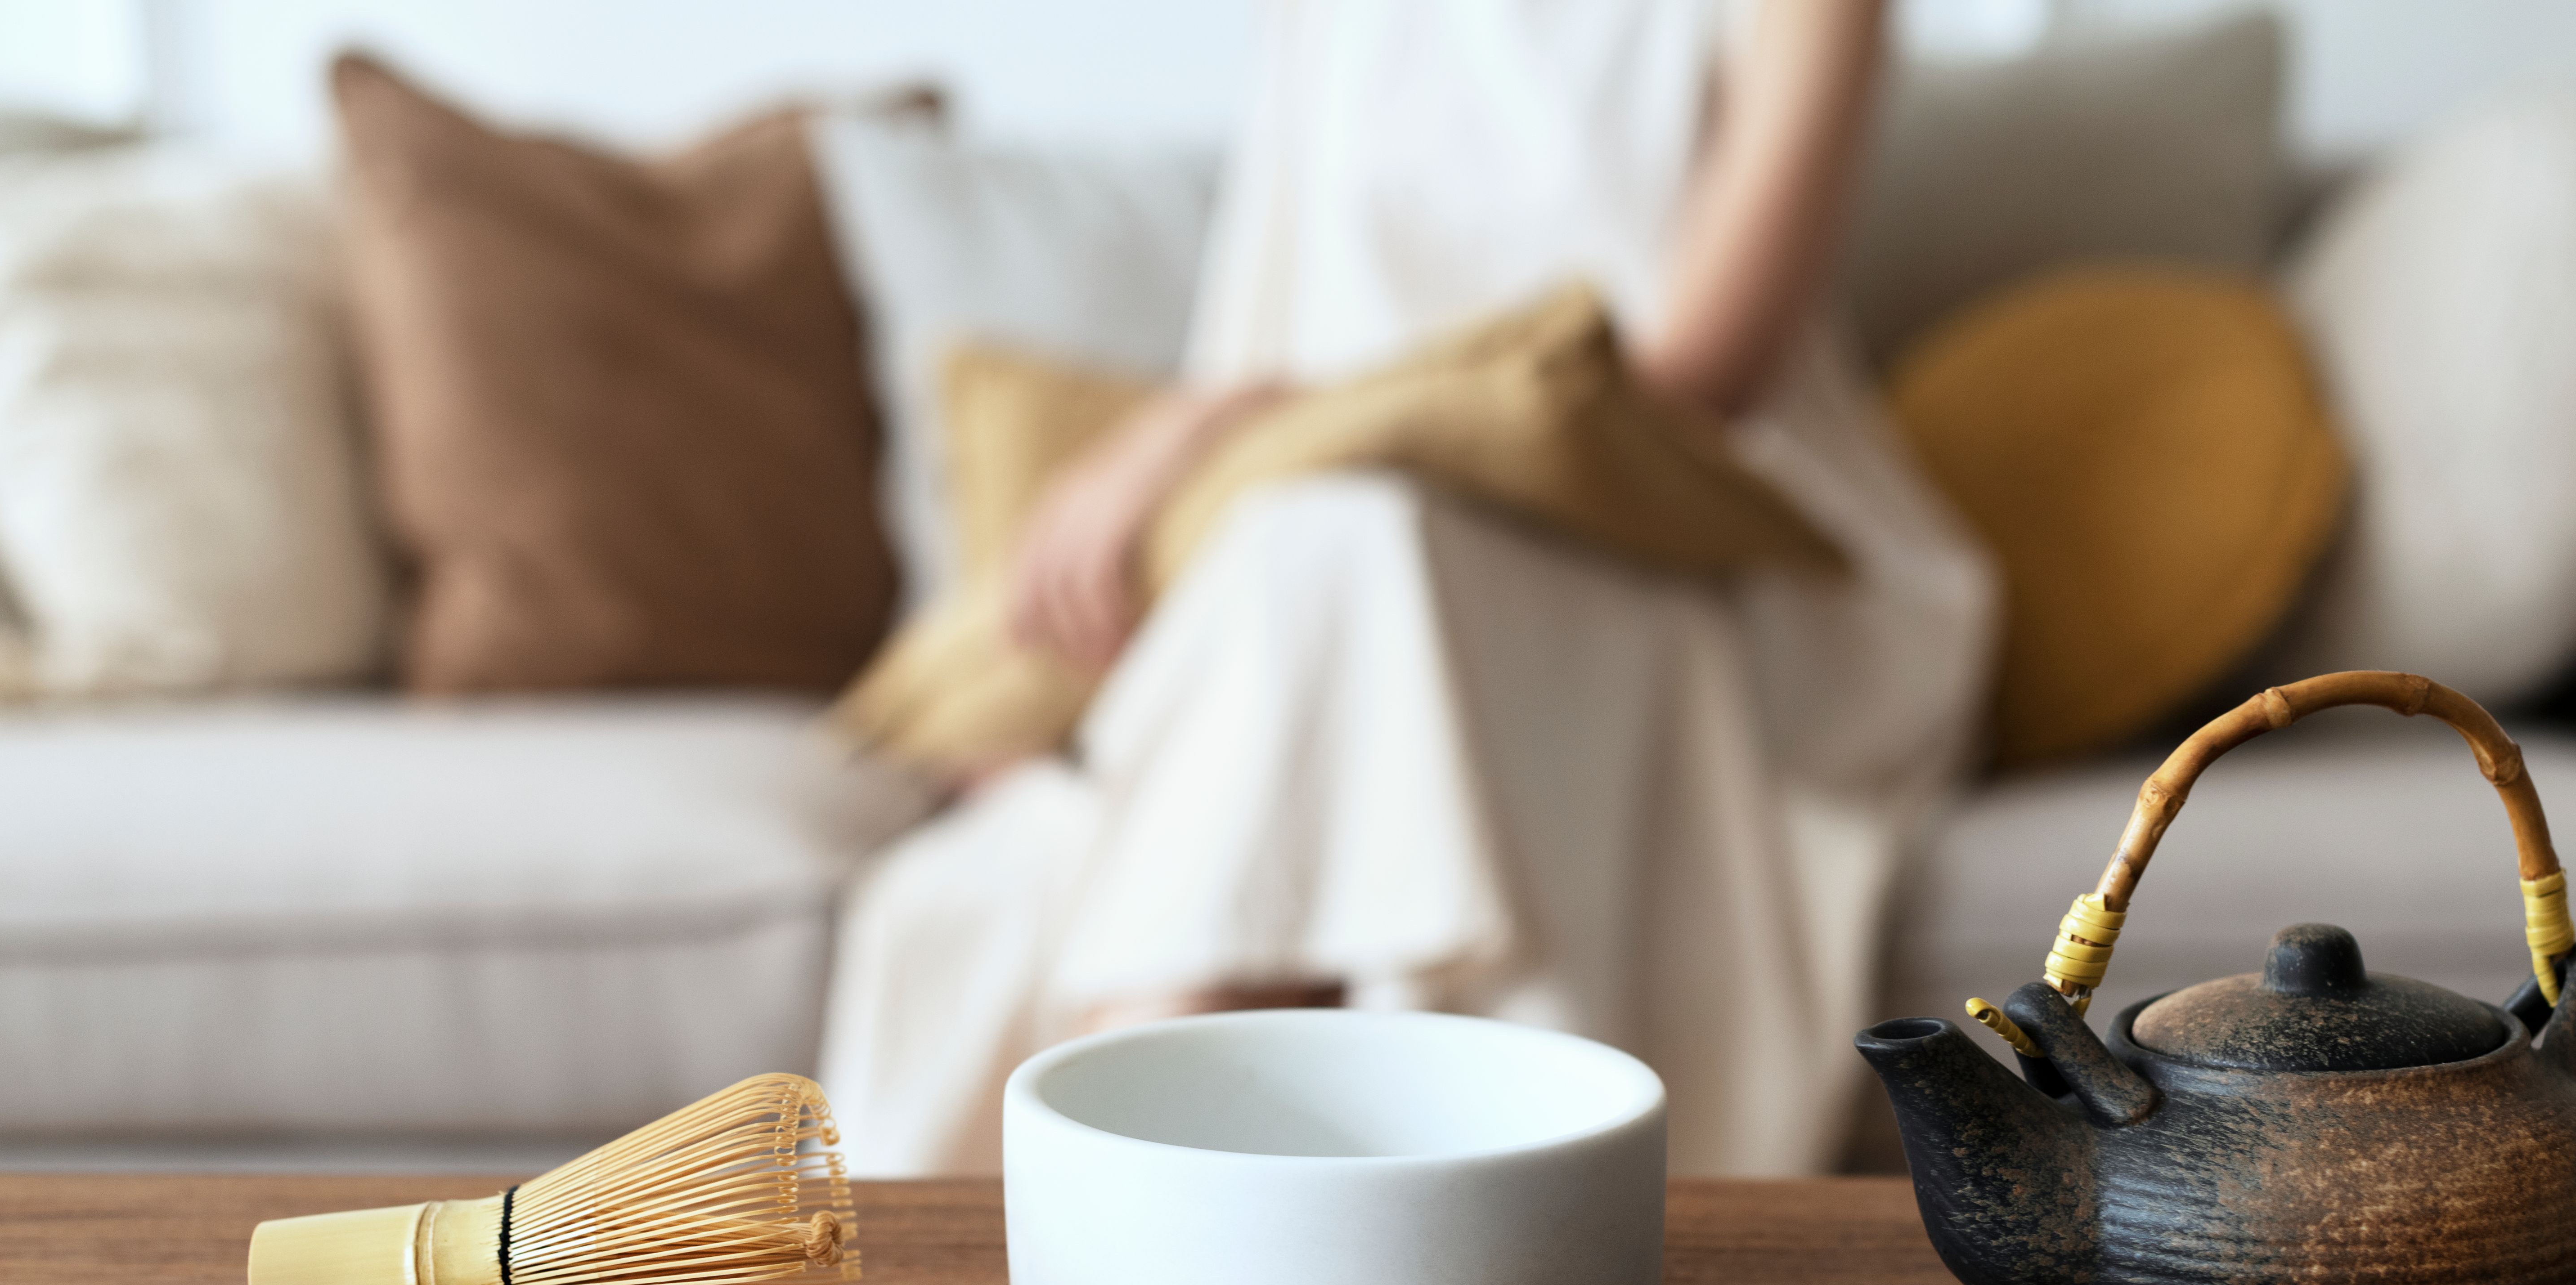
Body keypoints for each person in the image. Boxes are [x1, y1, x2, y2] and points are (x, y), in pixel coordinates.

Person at [821, 0, 1995, 1175]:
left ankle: (1137, 1150)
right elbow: (1265, 338)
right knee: (1336, 546)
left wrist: (1255, 417)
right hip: (1329, 564)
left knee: (1358, 544)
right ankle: (1199, 1150)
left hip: (1682, 547)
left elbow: (1695, 384)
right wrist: (1188, 447)